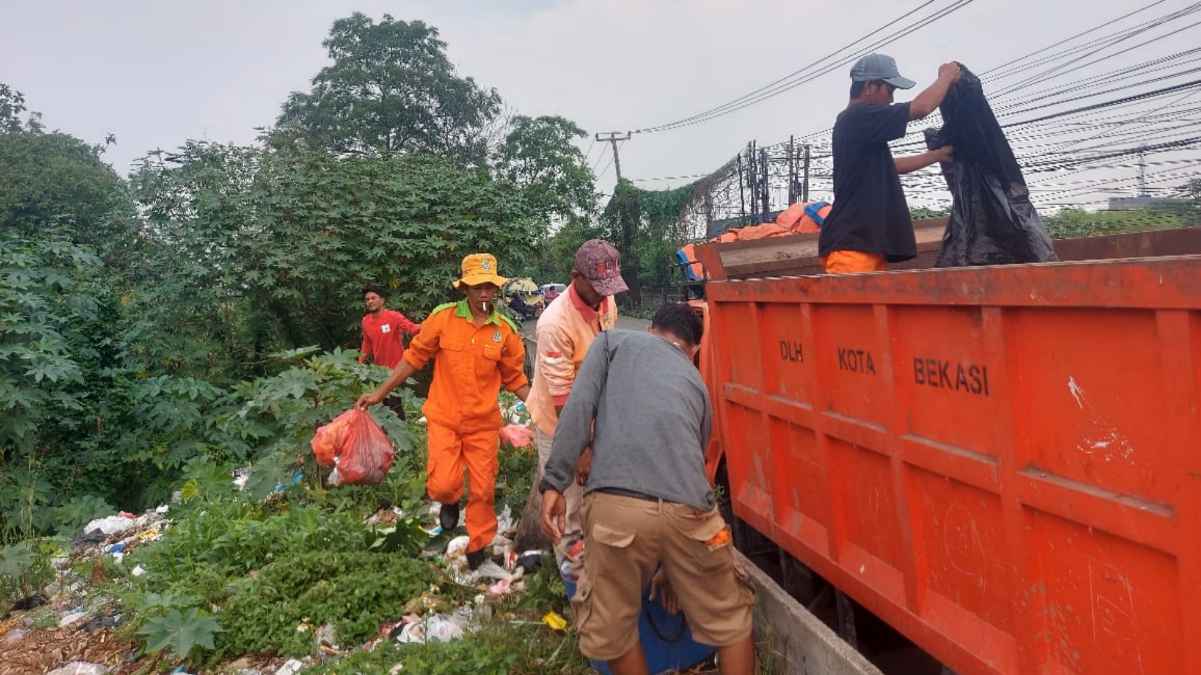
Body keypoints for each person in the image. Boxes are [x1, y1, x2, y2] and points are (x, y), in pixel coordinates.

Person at [540, 304, 755, 675]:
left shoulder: (611, 343)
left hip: (615, 508)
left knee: (617, 629)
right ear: (693, 349)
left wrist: (554, 482)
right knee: (731, 620)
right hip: (695, 512)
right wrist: (673, 566)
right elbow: (695, 466)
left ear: (652, 329)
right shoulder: (697, 384)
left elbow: (577, 410)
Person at [357, 253, 530, 570]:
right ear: (465, 288)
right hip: (445, 419)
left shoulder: (504, 331)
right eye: (477, 287)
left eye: (490, 286)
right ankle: (449, 501)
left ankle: (479, 547)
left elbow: (516, 379)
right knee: (443, 485)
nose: (484, 293)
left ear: (496, 289)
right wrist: (380, 393)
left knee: (483, 490)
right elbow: (413, 358)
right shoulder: (443, 319)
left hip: (483, 425)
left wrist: (541, 408)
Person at [525, 239, 626, 577]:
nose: (602, 296)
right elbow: (564, 401)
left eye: (607, 289)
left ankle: (598, 567)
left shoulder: (606, 301)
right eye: (596, 287)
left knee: (596, 495)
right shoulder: (554, 324)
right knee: (565, 500)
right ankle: (574, 583)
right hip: (560, 420)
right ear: (575, 277)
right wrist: (580, 451)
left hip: (593, 414)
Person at [818, 53, 961, 274]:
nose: (892, 99)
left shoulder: (860, 127)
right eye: (890, 90)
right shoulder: (856, 117)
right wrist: (947, 76)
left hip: (865, 247)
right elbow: (921, 108)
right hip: (852, 249)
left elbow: (890, 167)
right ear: (869, 87)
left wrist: (936, 155)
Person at [357, 284, 421, 419]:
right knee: (383, 406)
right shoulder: (366, 321)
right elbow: (366, 344)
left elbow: (412, 328)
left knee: (394, 405)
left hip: (397, 369)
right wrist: (359, 364)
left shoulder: (393, 317)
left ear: (382, 300)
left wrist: (432, 324)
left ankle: (401, 434)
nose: (370, 301)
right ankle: (388, 436)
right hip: (379, 371)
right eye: (367, 299)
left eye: (373, 298)